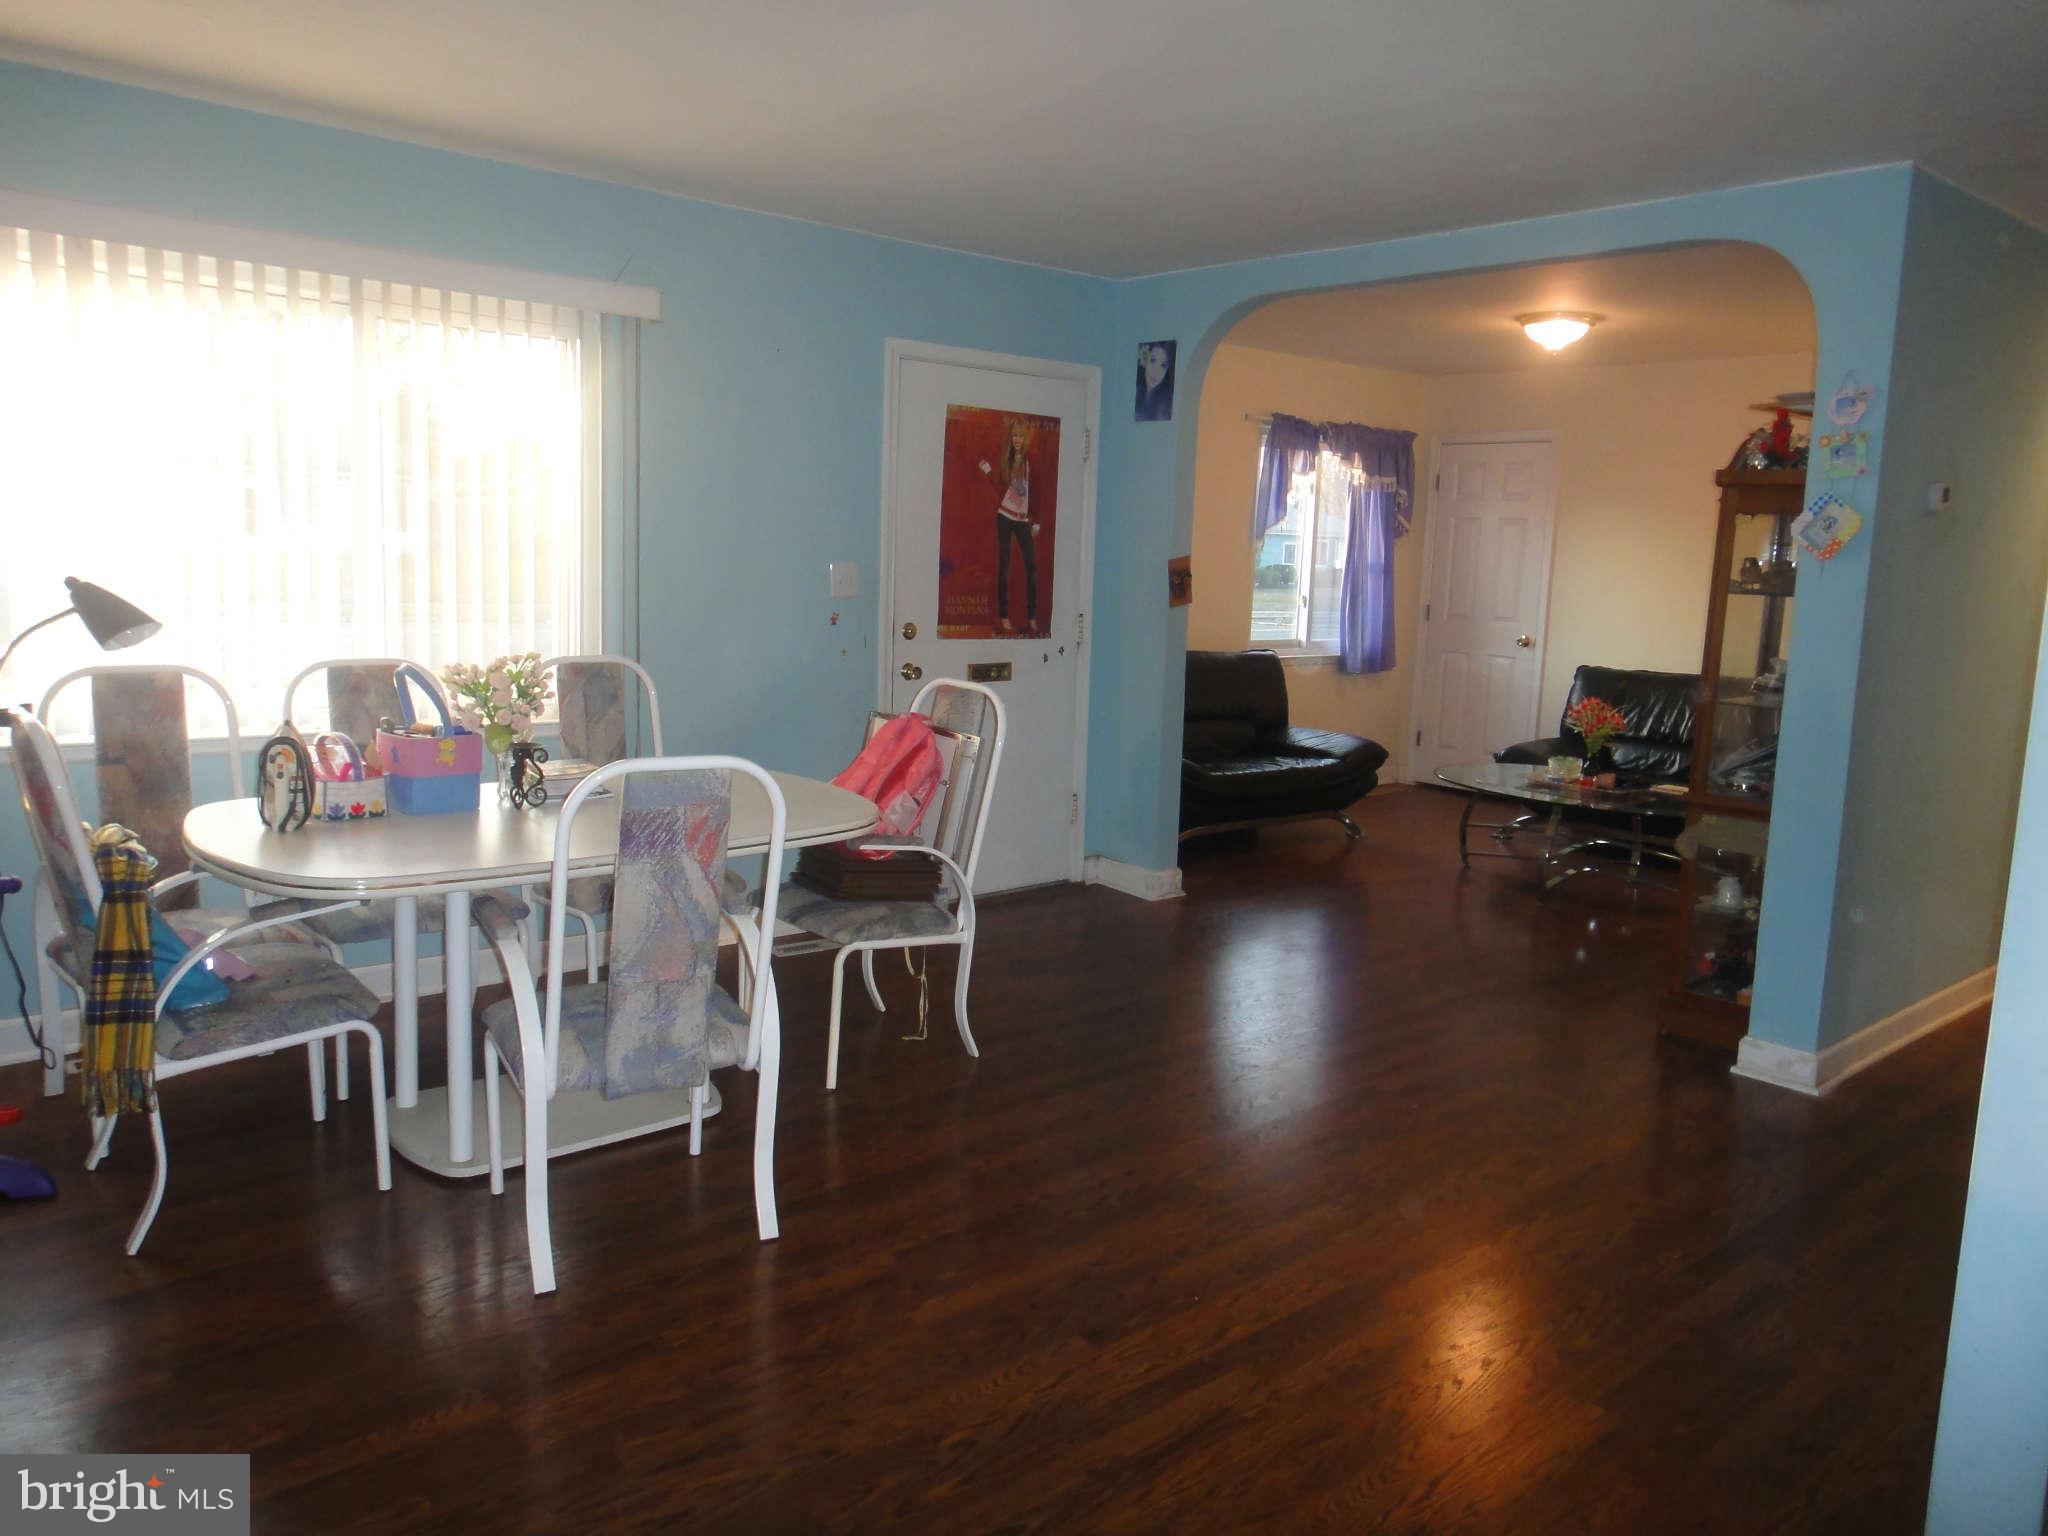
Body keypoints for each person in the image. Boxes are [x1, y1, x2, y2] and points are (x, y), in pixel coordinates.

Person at [977, 416, 1040, 635]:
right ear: (1011, 437)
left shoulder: (1030, 460)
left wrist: (1036, 520)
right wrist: (988, 472)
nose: (1017, 439)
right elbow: (1000, 487)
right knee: (1005, 567)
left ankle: (1032, 618)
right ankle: (1004, 617)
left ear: (1026, 438)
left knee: (1031, 567)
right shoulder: (1006, 458)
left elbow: (1037, 490)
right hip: (1004, 516)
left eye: (1021, 436)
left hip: (1023, 519)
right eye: (1015, 435)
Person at [1134, 341, 1175, 422]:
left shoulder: (1164, 407)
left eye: (1163, 365)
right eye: (1153, 360)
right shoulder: (1137, 391)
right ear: (1145, 361)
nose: (1156, 371)